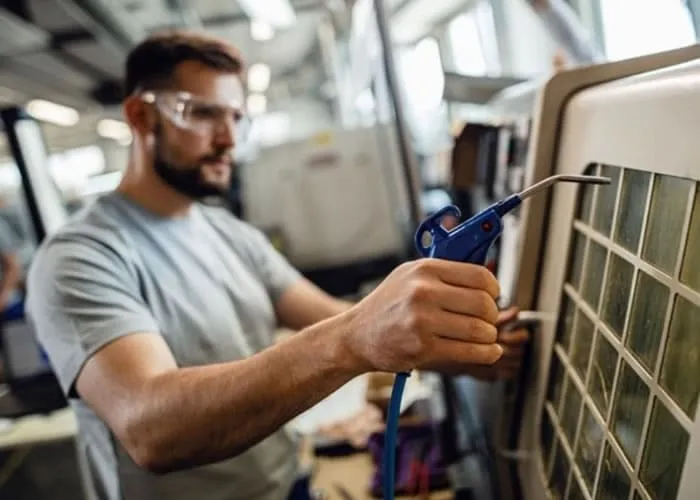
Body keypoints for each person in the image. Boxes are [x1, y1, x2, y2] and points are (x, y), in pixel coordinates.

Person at [25, 31, 529, 500]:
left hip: (286, 485)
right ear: (139, 116)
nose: (227, 139)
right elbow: (150, 430)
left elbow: (331, 314)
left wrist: (458, 345)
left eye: (235, 117)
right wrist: (352, 338)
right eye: (202, 114)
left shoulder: (229, 234)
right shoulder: (81, 257)